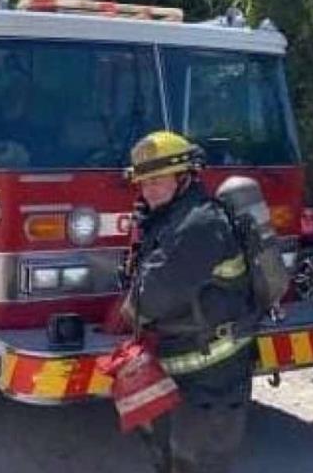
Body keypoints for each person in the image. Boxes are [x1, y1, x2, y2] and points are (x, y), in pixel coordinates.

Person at [122, 130, 256, 473]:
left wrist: (132, 305)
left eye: (157, 180)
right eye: (143, 182)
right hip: (187, 365)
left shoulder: (198, 225)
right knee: (172, 458)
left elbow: (151, 297)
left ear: (185, 177)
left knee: (198, 464)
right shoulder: (171, 220)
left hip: (214, 376)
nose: (148, 190)